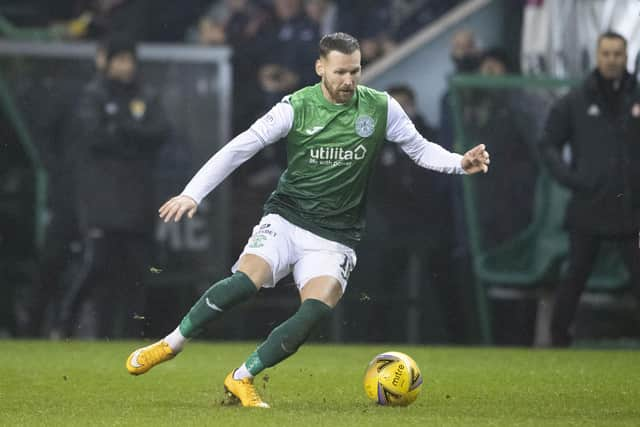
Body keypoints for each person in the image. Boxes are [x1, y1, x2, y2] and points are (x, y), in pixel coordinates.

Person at [125, 32, 490, 407]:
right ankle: (170, 344)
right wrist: (192, 193)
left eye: (355, 71)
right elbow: (239, 148)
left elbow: (419, 149)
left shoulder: (381, 108)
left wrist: (459, 163)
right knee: (246, 281)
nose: (348, 80)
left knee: (315, 310)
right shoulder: (295, 107)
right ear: (320, 68)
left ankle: (242, 376)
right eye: (340, 72)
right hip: (287, 218)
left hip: (336, 235)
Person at [58, 33, 169, 338]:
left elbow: (160, 132)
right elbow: (95, 137)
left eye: (130, 59)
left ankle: (132, 334)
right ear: (107, 61)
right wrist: (134, 135)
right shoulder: (93, 94)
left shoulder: (145, 94)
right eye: (120, 59)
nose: (126, 66)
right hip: (102, 197)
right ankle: (64, 323)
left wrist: (122, 130)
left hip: (137, 197)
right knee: (97, 264)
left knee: (137, 269)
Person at [540, 31, 640, 347]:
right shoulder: (576, 100)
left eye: (618, 54)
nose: (612, 60)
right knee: (575, 277)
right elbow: (548, 143)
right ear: (597, 57)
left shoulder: (636, 96)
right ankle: (558, 340)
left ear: (627, 58)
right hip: (589, 205)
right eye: (606, 53)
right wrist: (572, 180)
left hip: (633, 207)